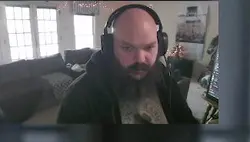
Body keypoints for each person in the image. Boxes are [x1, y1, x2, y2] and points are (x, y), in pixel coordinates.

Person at [57, 6, 198, 124]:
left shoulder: (164, 78)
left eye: (149, 47)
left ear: (161, 45)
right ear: (110, 47)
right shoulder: (78, 96)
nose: (140, 59)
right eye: (127, 48)